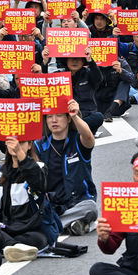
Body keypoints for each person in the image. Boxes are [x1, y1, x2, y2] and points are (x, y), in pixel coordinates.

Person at [0, 136, 62, 261]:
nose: (15, 145)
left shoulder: (39, 167)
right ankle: (14, 246)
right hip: (4, 228)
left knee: (36, 240)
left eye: (21, 142)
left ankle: (10, 246)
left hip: (31, 228)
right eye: (12, 142)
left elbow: (39, 183)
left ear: (30, 145)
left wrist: (20, 153)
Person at [34, 99, 99, 235]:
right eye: (50, 116)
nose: (54, 120)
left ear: (68, 119)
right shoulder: (39, 145)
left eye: (58, 115)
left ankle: (52, 224)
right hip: (52, 203)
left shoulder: (77, 140)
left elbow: (88, 137)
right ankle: (73, 224)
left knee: (90, 208)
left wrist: (75, 115)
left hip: (78, 202)